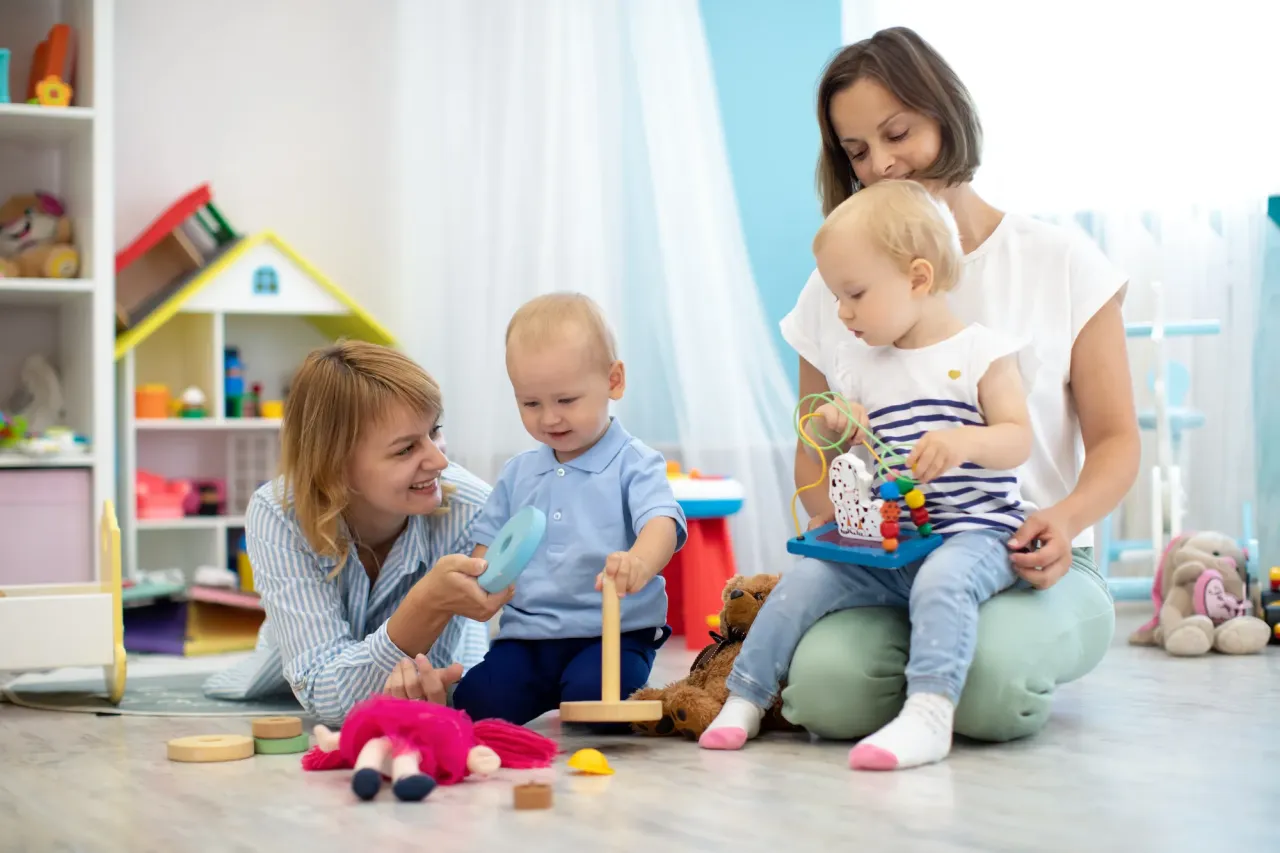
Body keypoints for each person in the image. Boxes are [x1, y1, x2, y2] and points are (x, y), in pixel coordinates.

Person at [777, 26, 1139, 743]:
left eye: (897, 132)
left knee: (991, 689)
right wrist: (852, 540)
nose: (880, 164)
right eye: (856, 151)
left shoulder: (1058, 261)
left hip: (1030, 562)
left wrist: (1063, 522)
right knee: (821, 693)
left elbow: (1117, 440)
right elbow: (813, 462)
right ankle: (922, 669)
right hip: (895, 566)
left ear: (943, 111)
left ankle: (943, 675)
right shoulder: (832, 289)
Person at [700, 180, 1034, 770]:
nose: (842, 313)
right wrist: (836, 430)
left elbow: (1016, 440)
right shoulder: (858, 365)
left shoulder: (983, 351)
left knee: (943, 582)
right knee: (803, 578)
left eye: (854, 294)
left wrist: (964, 441)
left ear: (918, 278)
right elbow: (840, 467)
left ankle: (929, 715)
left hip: (974, 535)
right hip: (889, 545)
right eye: (835, 297)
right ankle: (744, 697)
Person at [203, 341, 513, 726]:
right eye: (405, 449)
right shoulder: (278, 513)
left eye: (435, 431)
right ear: (335, 464)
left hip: (447, 664)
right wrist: (425, 604)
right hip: (285, 675)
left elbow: (422, 680)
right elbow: (325, 695)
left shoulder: (473, 509)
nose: (439, 460)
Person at [450, 292, 688, 726]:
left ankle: (586, 689)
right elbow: (489, 548)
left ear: (614, 381)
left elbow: (662, 524)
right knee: (475, 703)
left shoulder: (635, 462)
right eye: (531, 404)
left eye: (566, 401)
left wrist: (638, 562)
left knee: (594, 700)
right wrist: (480, 579)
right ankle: (535, 686)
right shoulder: (517, 473)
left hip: (613, 634)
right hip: (527, 637)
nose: (549, 419)